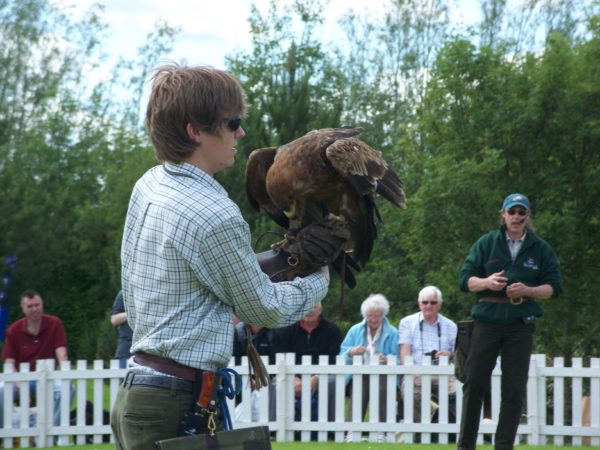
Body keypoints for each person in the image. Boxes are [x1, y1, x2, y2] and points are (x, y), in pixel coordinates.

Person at [110, 64, 334, 450]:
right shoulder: (214, 213)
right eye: (233, 123)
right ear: (194, 131)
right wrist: (320, 277)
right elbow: (264, 309)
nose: (240, 133)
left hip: (141, 393)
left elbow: (194, 275)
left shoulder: (150, 183)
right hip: (174, 402)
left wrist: (278, 260)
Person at [457, 193, 562, 450]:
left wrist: (528, 290)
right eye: (512, 211)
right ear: (503, 214)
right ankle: (465, 446)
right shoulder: (486, 243)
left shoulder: (540, 248)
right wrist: (487, 282)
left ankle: (504, 446)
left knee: (514, 389)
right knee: (474, 382)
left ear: (528, 215)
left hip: (520, 323)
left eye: (521, 212)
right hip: (487, 321)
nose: (516, 216)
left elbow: (554, 288)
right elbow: (465, 280)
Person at [1, 289, 71, 426]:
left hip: (48, 375)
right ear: (23, 309)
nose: (35, 309)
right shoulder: (14, 330)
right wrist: (22, 387)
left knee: (67, 389)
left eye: (37, 305)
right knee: (1, 391)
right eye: (30, 306)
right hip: (21, 378)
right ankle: (6, 429)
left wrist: (65, 376)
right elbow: (9, 363)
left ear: (42, 305)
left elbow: (61, 353)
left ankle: (52, 428)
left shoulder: (55, 324)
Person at [398, 286, 457, 437]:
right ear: (419, 304)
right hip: (416, 370)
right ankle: (425, 432)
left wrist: (449, 355)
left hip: (444, 373)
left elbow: (457, 354)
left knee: (458, 393)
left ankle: (453, 431)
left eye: (433, 302)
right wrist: (410, 372)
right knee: (411, 392)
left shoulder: (451, 326)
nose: (428, 306)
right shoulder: (407, 322)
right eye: (425, 302)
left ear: (440, 305)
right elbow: (405, 352)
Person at [340, 293, 400, 442]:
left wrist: (387, 359)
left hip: (385, 375)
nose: (373, 320)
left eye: (377, 316)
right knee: (359, 386)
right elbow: (342, 353)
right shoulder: (355, 330)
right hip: (358, 374)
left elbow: (400, 358)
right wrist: (352, 351)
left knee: (383, 388)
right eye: (370, 316)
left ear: (383, 315)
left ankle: (382, 431)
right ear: (365, 315)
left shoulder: (393, 332)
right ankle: (353, 431)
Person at [277, 301, 342, 427]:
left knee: (333, 383)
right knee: (276, 383)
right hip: (293, 375)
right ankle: (276, 427)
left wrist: (317, 377)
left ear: (320, 310)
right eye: (305, 307)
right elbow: (282, 355)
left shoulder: (332, 330)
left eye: (313, 307)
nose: (309, 310)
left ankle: (332, 427)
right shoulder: (289, 330)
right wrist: (294, 378)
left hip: (323, 374)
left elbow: (334, 358)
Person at [110, 290, 133, 368]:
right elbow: (114, 320)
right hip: (126, 350)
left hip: (147, 351)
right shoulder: (124, 293)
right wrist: (132, 312)